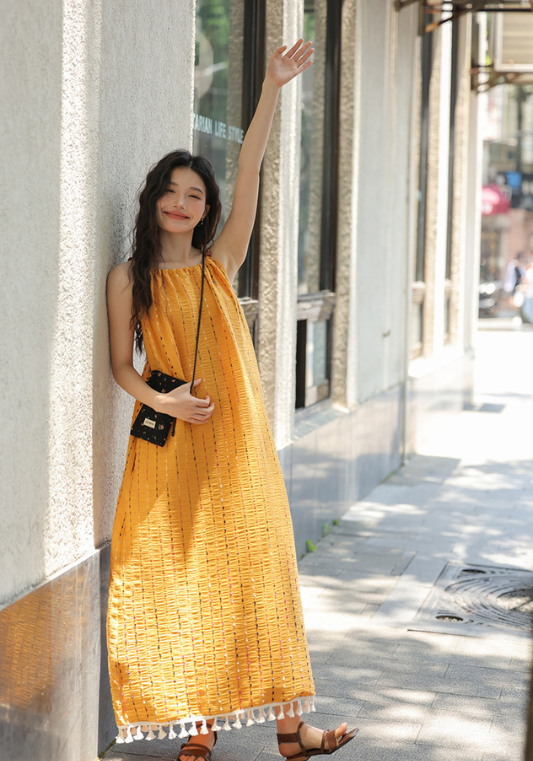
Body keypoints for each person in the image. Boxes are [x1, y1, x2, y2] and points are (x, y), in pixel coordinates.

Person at [106, 40, 358, 761]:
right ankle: (197, 724)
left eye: (195, 195)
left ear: (206, 208)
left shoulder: (221, 265)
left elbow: (250, 167)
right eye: (171, 192)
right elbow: (119, 368)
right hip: (169, 443)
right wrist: (173, 401)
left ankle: (290, 732)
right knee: (178, 573)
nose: (182, 203)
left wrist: (273, 87)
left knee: (255, 571)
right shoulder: (130, 277)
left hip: (237, 448)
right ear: (152, 200)